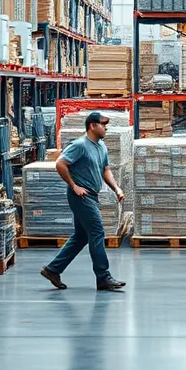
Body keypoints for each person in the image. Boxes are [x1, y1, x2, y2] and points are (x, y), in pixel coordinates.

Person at [40, 112, 127, 291]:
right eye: (103, 125)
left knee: (81, 236)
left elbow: (105, 170)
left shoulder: (101, 146)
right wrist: (74, 186)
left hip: (92, 195)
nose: (106, 128)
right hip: (81, 196)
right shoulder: (79, 145)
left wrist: (116, 188)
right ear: (92, 126)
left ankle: (52, 270)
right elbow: (60, 164)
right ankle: (103, 277)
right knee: (97, 232)